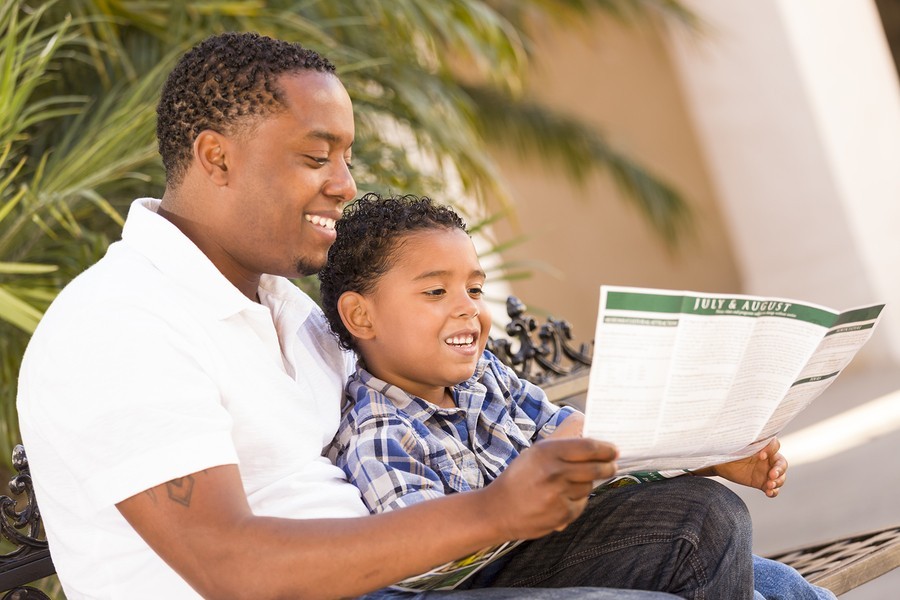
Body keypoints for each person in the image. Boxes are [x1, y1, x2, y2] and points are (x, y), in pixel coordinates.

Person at [17, 31, 752, 600]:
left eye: (348, 156)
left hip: (413, 576)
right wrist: (493, 513)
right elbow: (229, 566)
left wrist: (682, 445)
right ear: (216, 158)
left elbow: (449, 408)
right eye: (317, 156)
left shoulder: (282, 305)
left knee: (700, 520)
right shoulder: (117, 326)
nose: (346, 184)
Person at [318, 193, 837, 600]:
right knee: (702, 520)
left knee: (773, 581)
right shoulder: (381, 433)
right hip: (504, 583)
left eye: (474, 290)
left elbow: (581, 442)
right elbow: (427, 567)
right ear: (361, 316)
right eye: (436, 292)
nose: (467, 309)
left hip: (568, 542)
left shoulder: (484, 378)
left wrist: (710, 454)